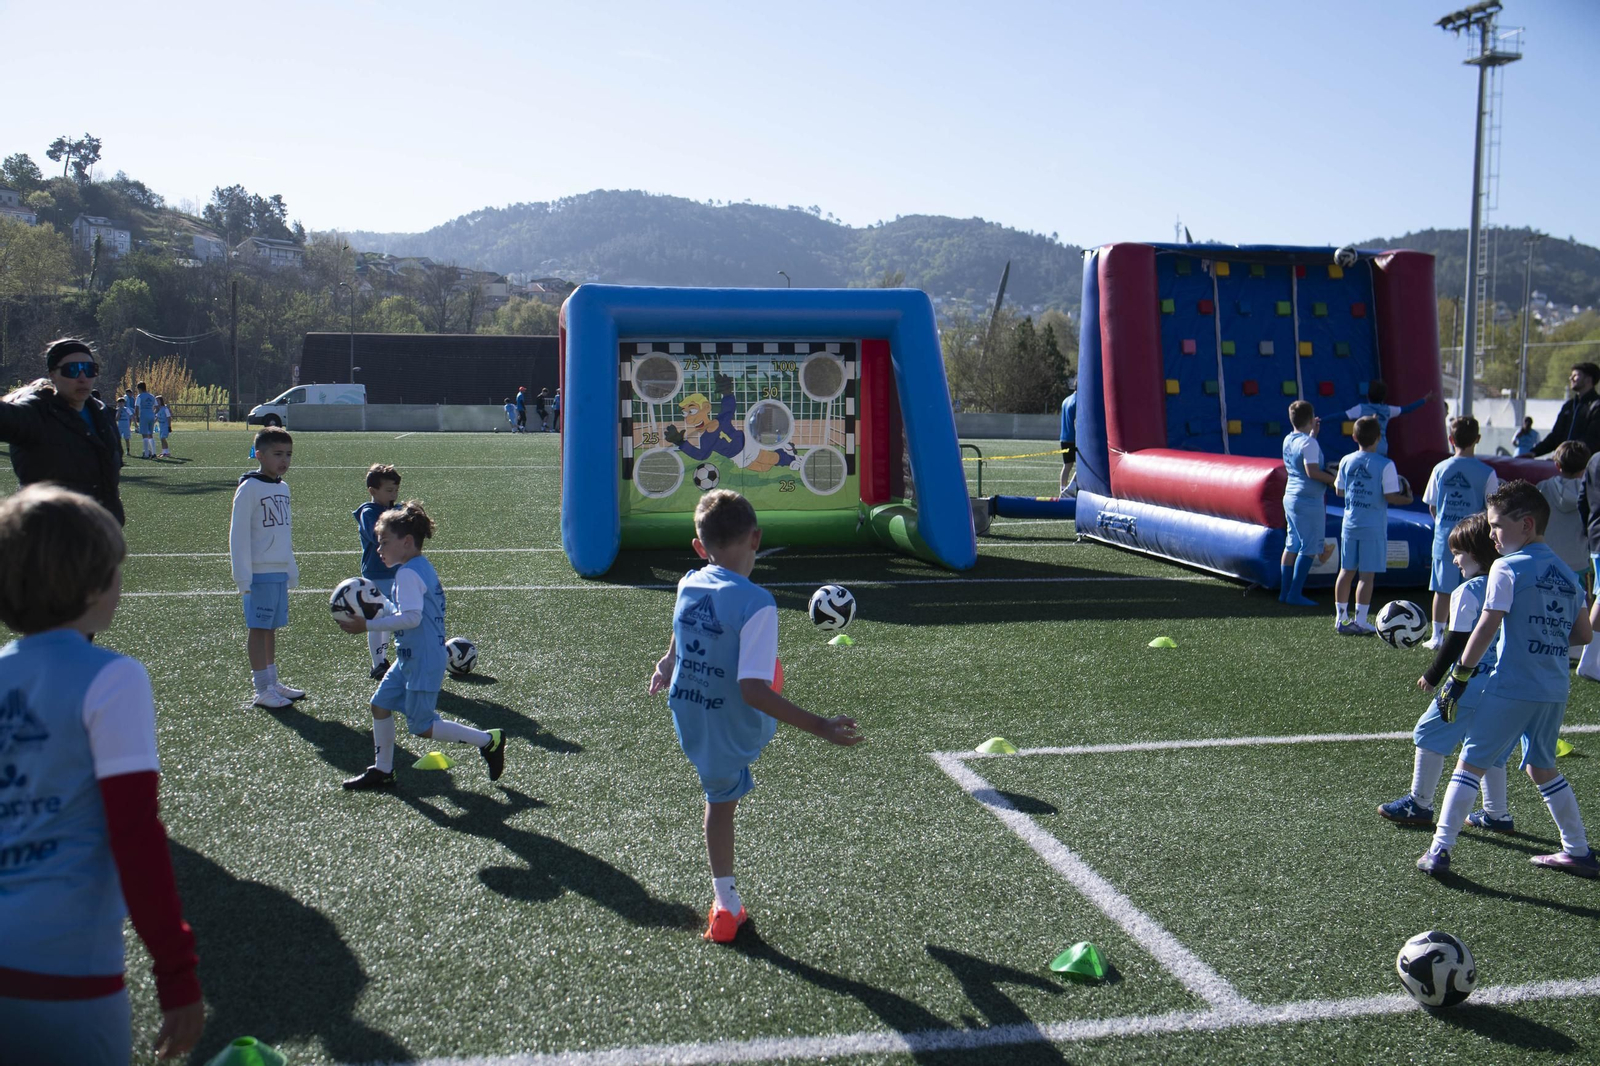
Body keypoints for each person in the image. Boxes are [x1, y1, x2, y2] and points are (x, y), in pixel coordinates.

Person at [0, 485, 204, 1062]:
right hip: (69, 975)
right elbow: (135, 835)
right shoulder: (112, 679)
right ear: (92, 583)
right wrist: (177, 972)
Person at [647, 490, 863, 942]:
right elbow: (752, 691)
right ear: (756, 538)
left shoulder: (689, 582)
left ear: (698, 547)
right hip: (732, 717)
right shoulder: (759, 601)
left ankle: (726, 899)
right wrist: (821, 725)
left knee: (718, 789)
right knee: (720, 807)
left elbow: (680, 628)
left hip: (688, 708)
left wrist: (667, 665)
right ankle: (725, 906)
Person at [1418, 480, 1597, 878]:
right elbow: (1583, 635)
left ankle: (1439, 850)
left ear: (1527, 525)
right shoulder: (1569, 575)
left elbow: (1485, 627)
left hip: (1512, 685)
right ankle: (1578, 850)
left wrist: (1458, 676)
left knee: (1468, 765)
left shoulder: (1508, 567)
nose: (1491, 535)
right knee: (1541, 768)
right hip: (1553, 689)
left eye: (1497, 526)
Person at [338, 501, 509, 790]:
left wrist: (367, 624)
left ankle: (488, 740)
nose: (378, 548)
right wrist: (379, 605)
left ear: (406, 542)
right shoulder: (417, 567)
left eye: (383, 541)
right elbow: (407, 610)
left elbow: (412, 618)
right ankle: (383, 769)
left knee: (422, 727)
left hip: (423, 659)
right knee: (379, 705)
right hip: (409, 656)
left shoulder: (407, 573)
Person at [1379, 514, 1516, 829]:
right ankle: (1497, 814)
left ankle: (1420, 803)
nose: (1454, 559)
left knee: (1428, 733)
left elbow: (1457, 638)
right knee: (1487, 746)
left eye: (1458, 552)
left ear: (1477, 551)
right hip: (1502, 682)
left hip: (1470, 680)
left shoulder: (1468, 591)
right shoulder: (1508, 583)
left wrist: (1433, 673)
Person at [0, 338, 125, 525]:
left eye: (90, 370)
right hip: (47, 539)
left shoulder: (102, 414)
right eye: (72, 370)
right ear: (53, 375)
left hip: (98, 537)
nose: (83, 377)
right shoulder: (35, 413)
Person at [229, 427, 305, 709]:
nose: (284, 460)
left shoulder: (282, 487)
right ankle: (261, 688)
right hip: (258, 574)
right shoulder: (248, 488)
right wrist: (242, 576)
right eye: (277, 454)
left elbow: (285, 532)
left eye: (288, 455)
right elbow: (238, 535)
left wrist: (290, 567)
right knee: (258, 628)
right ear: (259, 455)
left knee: (270, 628)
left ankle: (272, 682)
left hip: (278, 572)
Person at [1332, 416, 1413, 634]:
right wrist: (1407, 499)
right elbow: (1391, 496)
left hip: (1350, 524)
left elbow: (1339, 491)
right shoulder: (1385, 464)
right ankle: (1360, 620)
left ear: (1354, 436)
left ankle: (1341, 618)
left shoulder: (1346, 460)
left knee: (1346, 571)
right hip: (1373, 526)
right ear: (1378, 438)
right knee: (1367, 576)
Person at [1421, 416, 1497, 648]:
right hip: (1475, 540)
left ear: (1450, 439)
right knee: (1477, 586)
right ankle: (1471, 633)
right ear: (1478, 439)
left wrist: (1445, 522)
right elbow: (1492, 509)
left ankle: (1437, 636)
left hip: (1445, 536)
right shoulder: (1487, 472)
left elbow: (1432, 504)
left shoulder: (1440, 468)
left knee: (1442, 588)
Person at [1278, 401, 1336, 606]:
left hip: (1291, 497)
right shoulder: (1309, 443)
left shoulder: (1289, 439)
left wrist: (1313, 435)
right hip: (1308, 500)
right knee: (1309, 547)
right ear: (1311, 419)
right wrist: (1335, 480)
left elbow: (1302, 456)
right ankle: (1295, 594)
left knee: (1292, 544)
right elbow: (1312, 472)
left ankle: (1284, 593)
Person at [355, 464, 403, 679]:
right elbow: (379, 535)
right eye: (388, 490)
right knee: (378, 619)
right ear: (373, 491)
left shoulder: (395, 510)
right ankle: (378, 663)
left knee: (396, 617)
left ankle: (399, 659)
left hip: (397, 573)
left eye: (395, 490)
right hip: (376, 573)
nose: (393, 494)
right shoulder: (369, 512)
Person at [1539, 442, 1591, 595]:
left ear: (1557, 465)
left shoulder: (1543, 487)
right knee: (1581, 607)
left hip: (1548, 561)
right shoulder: (1591, 491)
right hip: (1580, 562)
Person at [1325, 381, 1429, 456]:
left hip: (1366, 449)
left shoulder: (1361, 409)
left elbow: (1340, 416)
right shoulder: (1388, 410)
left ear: (1368, 395)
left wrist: (1321, 420)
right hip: (1382, 449)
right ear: (1384, 397)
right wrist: (1425, 399)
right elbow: (1407, 409)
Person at [1531, 363, 1600, 458]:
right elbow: (1555, 436)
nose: (1570, 378)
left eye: (1575, 375)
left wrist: (1569, 457)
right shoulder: (1568, 406)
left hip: (1584, 468)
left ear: (1588, 379)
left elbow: (1592, 440)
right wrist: (1533, 452)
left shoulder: (1597, 406)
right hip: (1565, 464)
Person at [1059, 391, 1077, 496]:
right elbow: (1076, 421)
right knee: (1083, 466)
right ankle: (1070, 488)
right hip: (1073, 438)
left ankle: (1062, 491)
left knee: (1067, 466)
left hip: (1063, 438)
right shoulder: (1079, 401)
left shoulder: (1066, 400)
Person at [135, 381, 157, 459]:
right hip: (151, 415)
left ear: (139, 388)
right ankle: (154, 453)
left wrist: (137, 416)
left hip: (144, 415)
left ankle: (146, 453)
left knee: (144, 434)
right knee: (150, 434)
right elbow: (157, 407)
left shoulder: (139, 396)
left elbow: (137, 407)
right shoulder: (152, 396)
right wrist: (153, 413)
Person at [154, 394, 173, 459]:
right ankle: (163, 452)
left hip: (165, 425)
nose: (157, 402)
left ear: (161, 401)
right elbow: (156, 417)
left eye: (158, 400)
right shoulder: (158, 409)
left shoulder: (165, 409)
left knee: (163, 438)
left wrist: (169, 426)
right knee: (161, 439)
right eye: (156, 401)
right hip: (161, 425)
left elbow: (169, 417)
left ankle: (167, 452)